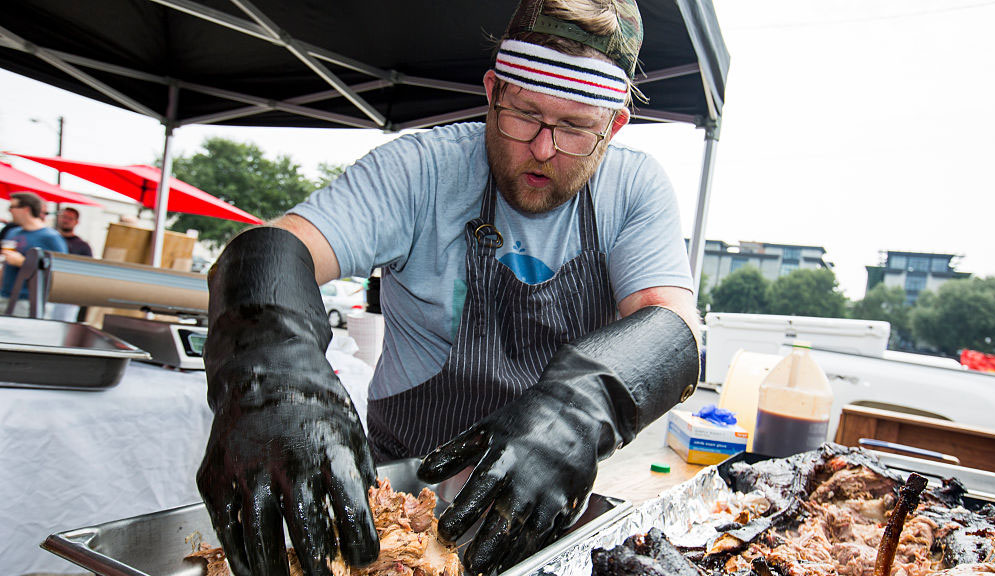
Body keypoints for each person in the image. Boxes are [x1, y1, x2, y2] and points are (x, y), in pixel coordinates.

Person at [197, 1, 702, 575]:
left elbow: (673, 324)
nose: (542, 147)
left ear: (612, 126)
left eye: (575, 128)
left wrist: (579, 411)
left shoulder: (633, 190)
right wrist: (272, 376)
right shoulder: (423, 170)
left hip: (536, 508)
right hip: (399, 501)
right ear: (492, 91)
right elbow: (274, 250)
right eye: (524, 114)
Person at [1, 192, 67, 317]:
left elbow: (59, 272)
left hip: (28, 301)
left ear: (26, 209)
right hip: (4, 296)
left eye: (12, 207)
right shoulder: (13, 232)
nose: (10, 211)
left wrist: (22, 262)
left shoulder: (50, 237)